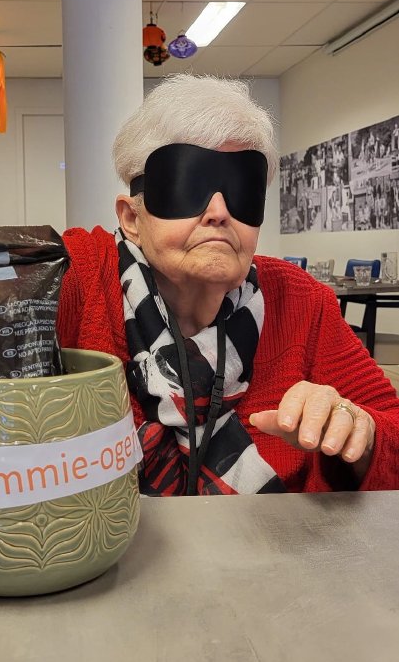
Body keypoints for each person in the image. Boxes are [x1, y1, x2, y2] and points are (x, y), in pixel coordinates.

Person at [57, 74, 399, 495]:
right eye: (188, 185)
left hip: (271, 536)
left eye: (242, 189)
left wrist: (358, 433)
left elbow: (391, 431)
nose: (219, 212)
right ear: (131, 219)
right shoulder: (78, 278)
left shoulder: (300, 300)